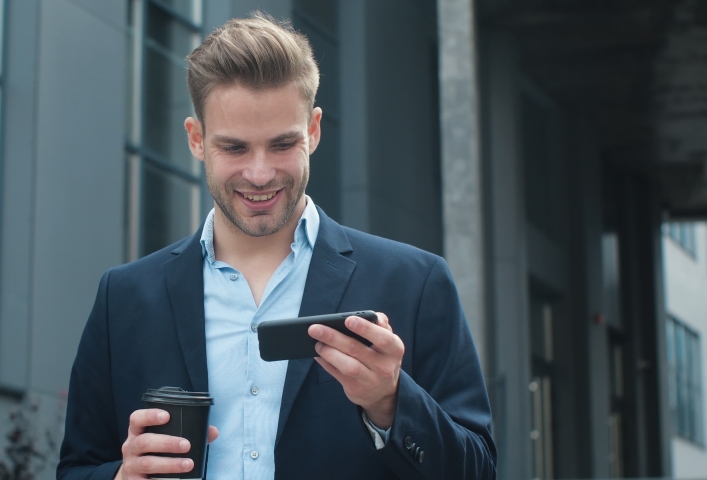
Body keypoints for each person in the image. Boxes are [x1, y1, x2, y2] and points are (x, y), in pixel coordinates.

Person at [57, 12, 495, 480]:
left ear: (314, 130)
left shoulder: (416, 282)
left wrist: (391, 402)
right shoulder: (123, 298)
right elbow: (77, 469)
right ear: (197, 139)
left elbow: (479, 470)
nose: (260, 174)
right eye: (236, 148)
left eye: (283, 144)